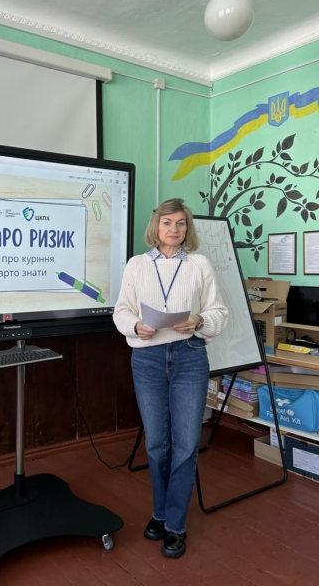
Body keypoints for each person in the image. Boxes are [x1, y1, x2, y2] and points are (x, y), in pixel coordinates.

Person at [113, 198, 228, 559]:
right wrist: (135, 325)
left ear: (186, 228)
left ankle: (176, 524)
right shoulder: (136, 265)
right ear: (156, 226)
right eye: (167, 222)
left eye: (180, 223)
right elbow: (121, 310)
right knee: (157, 444)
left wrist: (199, 321)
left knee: (187, 443)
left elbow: (219, 312)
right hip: (147, 358)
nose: (174, 229)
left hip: (189, 357)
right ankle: (160, 513)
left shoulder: (199, 264)